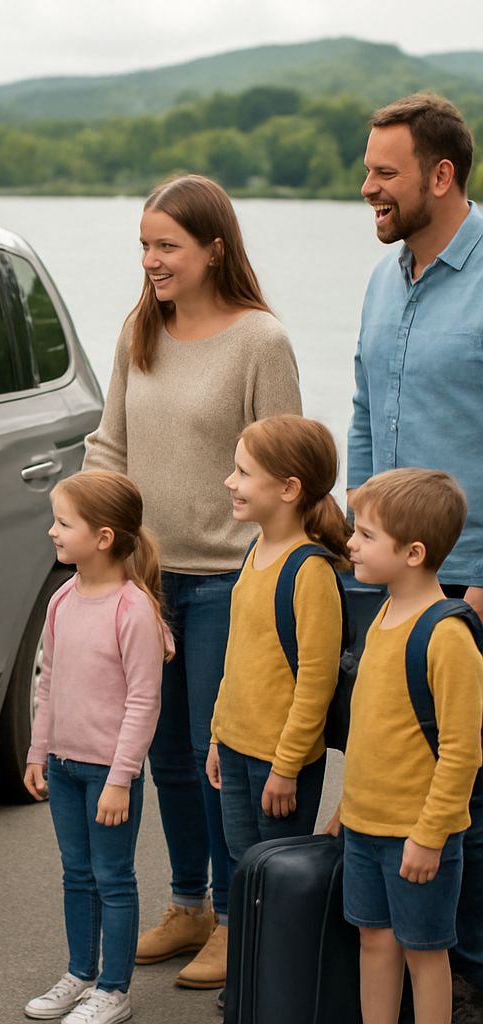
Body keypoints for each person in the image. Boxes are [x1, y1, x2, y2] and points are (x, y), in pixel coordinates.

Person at [83, 174, 301, 990]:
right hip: (147, 583)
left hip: (226, 586)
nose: (151, 261)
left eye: (166, 246)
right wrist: (93, 539)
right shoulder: (141, 330)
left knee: (218, 758)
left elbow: (288, 475)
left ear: (215, 248)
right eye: (144, 245)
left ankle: (235, 911)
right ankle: (189, 904)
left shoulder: (260, 342)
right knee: (164, 755)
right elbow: (110, 445)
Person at [347, 93, 483, 1000]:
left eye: (384, 172)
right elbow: (362, 411)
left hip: (470, 589)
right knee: (400, 788)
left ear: (441, 175)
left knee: (469, 800)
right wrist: (351, 533)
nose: (368, 189)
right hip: (386, 584)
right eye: (366, 171)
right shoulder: (384, 275)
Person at [325, 469, 483, 1024]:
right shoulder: (383, 614)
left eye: (366, 535)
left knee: (425, 953)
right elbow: (374, 732)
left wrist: (430, 835)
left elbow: (463, 752)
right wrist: (349, 807)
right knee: (375, 944)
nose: (351, 543)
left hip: (419, 837)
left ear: (413, 552)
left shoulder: (448, 635)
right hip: (366, 829)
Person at [23, 471, 173, 1024]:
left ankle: (114, 989)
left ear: (104, 537)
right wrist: (39, 752)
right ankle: (80, 974)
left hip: (110, 773)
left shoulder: (132, 611)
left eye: (64, 523)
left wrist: (120, 777)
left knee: (113, 878)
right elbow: (48, 678)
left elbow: (143, 702)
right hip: (63, 766)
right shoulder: (62, 598)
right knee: (76, 873)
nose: (52, 532)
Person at [207, 416, 347, 867]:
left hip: (279, 764)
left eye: (244, 473)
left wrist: (287, 767)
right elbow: (236, 659)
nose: (230, 481)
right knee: (242, 866)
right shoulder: (253, 550)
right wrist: (216, 736)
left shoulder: (310, 572)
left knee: (274, 875)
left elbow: (316, 681)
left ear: (289, 489)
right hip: (233, 748)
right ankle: (241, 940)